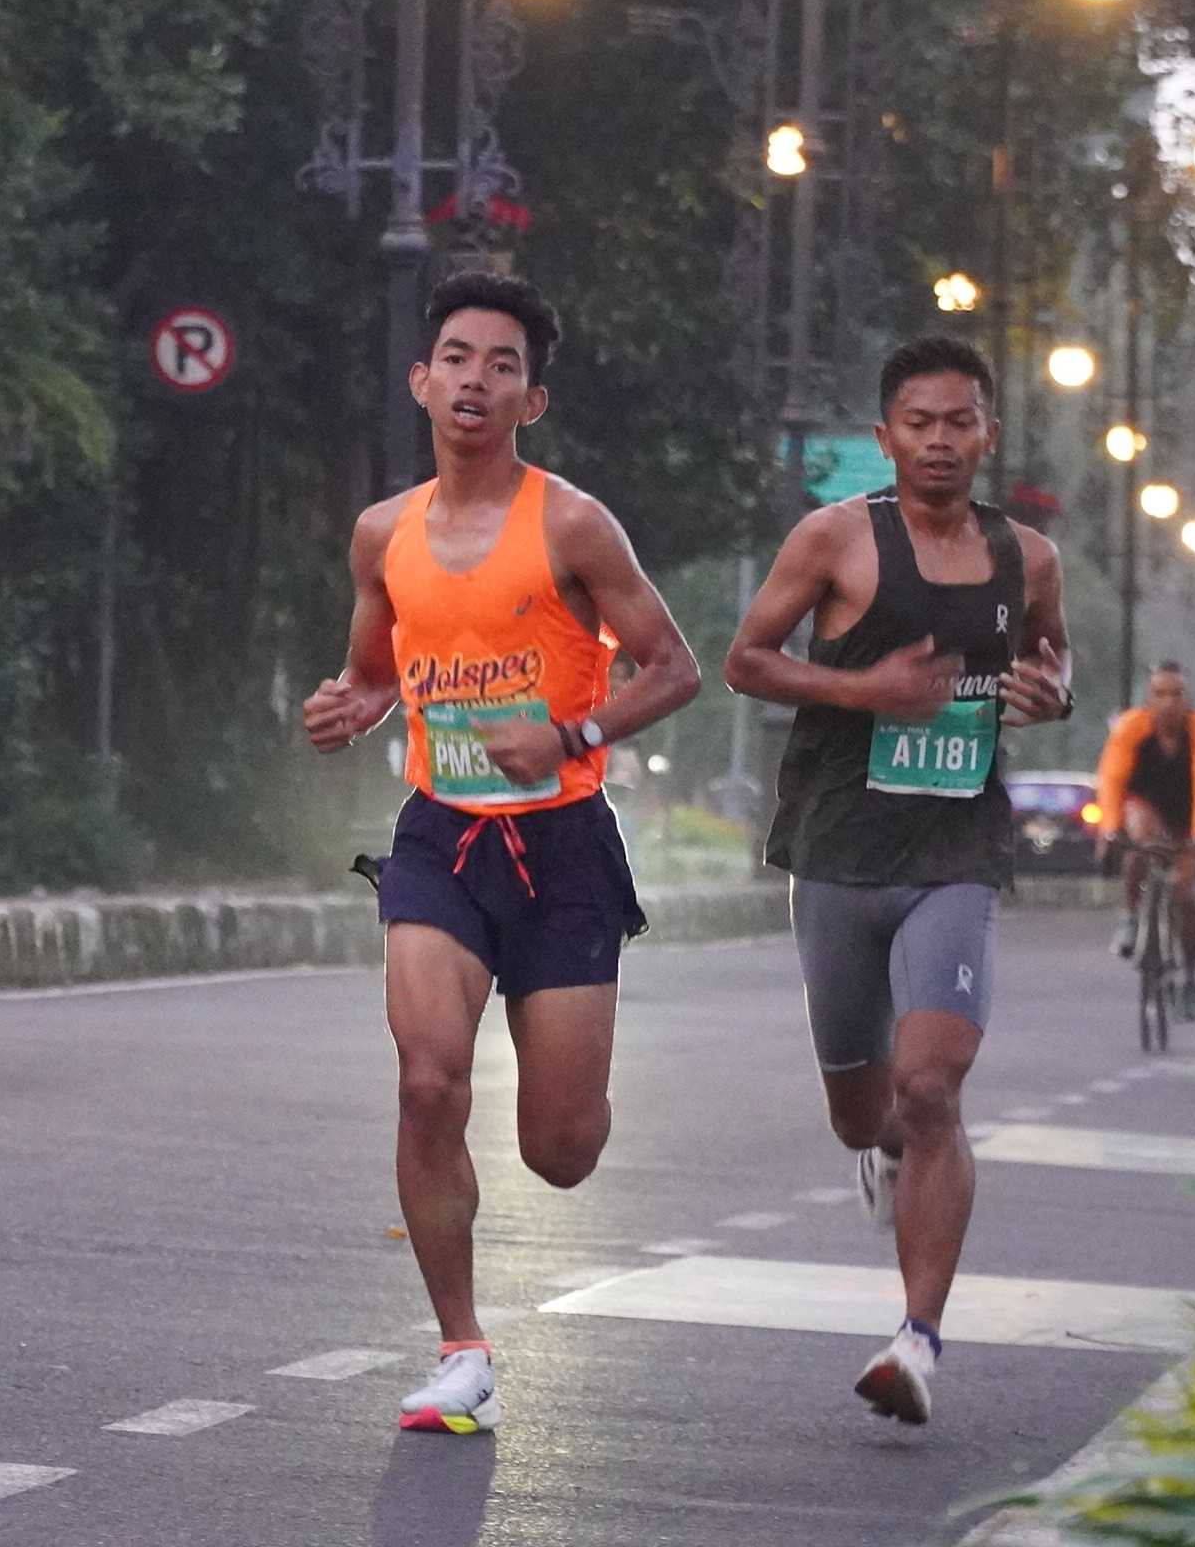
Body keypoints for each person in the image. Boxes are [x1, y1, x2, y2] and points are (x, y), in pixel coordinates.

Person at [300, 271, 701, 1437]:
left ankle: (568, 1098)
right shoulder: (382, 532)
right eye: (457, 357)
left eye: (502, 364)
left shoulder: (571, 524)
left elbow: (672, 666)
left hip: (562, 845)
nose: (475, 379)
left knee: (560, 1148)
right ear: (421, 379)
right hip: (441, 834)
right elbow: (375, 668)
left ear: (531, 400)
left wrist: (572, 733)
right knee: (426, 1077)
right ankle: (460, 1345)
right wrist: (352, 705)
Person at [724, 336, 1072, 1428]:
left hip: (953, 852)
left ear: (988, 434)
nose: (939, 440)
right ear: (885, 437)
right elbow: (745, 659)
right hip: (837, 848)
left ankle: (916, 1339)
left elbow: (1052, 657)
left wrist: (1051, 690)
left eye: (958, 421)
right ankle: (877, 1147)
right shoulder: (834, 539)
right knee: (862, 1111)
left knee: (931, 1088)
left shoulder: (1028, 558)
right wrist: (864, 688)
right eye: (918, 423)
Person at [1094, 663, 1195, 1014]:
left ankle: (1190, 980)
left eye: (1176, 695)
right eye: (1160, 694)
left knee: (1185, 895)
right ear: (1148, 699)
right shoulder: (1131, 726)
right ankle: (1130, 916)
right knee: (1139, 842)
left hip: (1187, 813)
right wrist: (1109, 829)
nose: (1168, 703)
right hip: (1145, 803)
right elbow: (1111, 780)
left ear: (1188, 699)